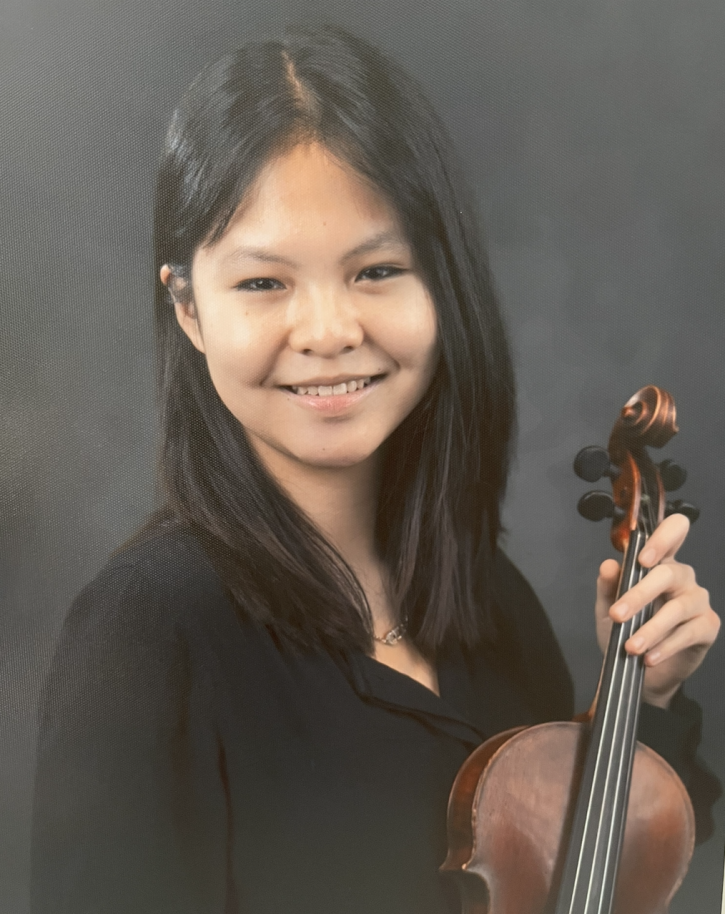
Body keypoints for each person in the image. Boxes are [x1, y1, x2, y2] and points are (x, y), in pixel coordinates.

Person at [31, 25, 720, 914]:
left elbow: (601, 882)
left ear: (445, 286)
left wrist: (648, 698)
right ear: (187, 308)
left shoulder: (488, 601)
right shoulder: (146, 635)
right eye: (263, 283)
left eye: (378, 269)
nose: (326, 331)